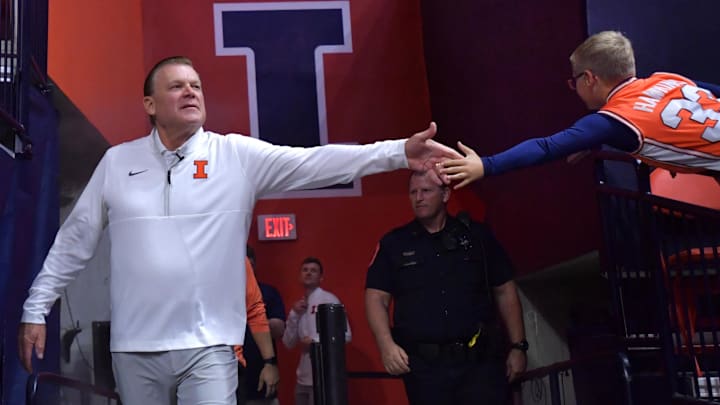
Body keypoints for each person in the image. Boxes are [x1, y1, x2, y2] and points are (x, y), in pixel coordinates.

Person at [17, 56, 461, 405]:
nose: (190, 91)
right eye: (176, 86)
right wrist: (37, 308)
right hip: (134, 347)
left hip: (210, 347)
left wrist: (399, 153)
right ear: (150, 105)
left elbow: (317, 161)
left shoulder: (235, 156)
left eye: (196, 85)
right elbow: (75, 239)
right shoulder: (118, 162)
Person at [439, 31, 720, 189]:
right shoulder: (666, 80)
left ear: (590, 78)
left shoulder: (613, 120)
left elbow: (547, 147)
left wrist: (486, 165)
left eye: (574, 80)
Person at [365, 171, 527, 405]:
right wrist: (386, 345)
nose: (418, 197)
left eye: (426, 191)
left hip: (480, 364)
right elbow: (375, 298)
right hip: (425, 369)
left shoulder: (477, 237)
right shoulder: (395, 243)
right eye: (413, 192)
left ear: (445, 194)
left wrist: (518, 346)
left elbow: (505, 290)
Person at [282, 257, 351, 405]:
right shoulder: (299, 306)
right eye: (305, 270)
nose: (308, 273)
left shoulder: (330, 300)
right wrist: (294, 314)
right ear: (299, 275)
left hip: (325, 378)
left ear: (321, 277)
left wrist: (315, 343)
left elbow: (345, 335)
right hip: (303, 378)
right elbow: (288, 343)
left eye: (313, 271)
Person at [237, 246, 286, 405]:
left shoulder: (268, 292)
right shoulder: (222, 292)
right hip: (230, 369)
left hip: (260, 368)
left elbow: (279, 329)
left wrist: (261, 321)